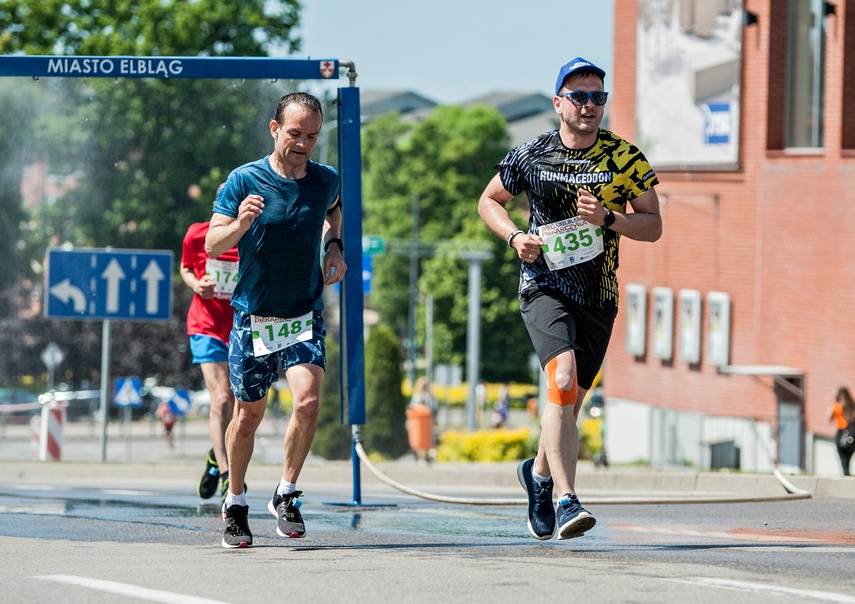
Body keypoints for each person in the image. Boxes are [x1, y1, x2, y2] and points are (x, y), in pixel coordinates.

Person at [478, 57, 662, 540]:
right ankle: (566, 500)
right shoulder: (530, 154)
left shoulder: (625, 158)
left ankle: (538, 476)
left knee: (569, 405)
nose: (589, 106)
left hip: (598, 295)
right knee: (561, 380)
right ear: (558, 102)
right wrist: (516, 238)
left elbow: (653, 225)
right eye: (579, 96)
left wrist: (609, 219)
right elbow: (488, 200)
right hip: (544, 285)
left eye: (597, 97)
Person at [206, 91, 345, 549]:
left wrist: (334, 247)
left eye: (311, 135)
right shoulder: (243, 179)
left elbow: (332, 211)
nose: (303, 143)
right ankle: (236, 500)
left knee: (308, 402)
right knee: (248, 416)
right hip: (254, 316)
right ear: (274, 129)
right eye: (294, 133)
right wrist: (240, 225)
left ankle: (286, 493)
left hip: (303, 311)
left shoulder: (325, 180)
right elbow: (211, 243)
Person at [180, 185, 240, 503]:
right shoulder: (196, 234)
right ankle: (229, 477)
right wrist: (196, 284)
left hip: (242, 328)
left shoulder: (252, 237)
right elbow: (186, 268)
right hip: (205, 326)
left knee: (240, 407)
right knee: (221, 398)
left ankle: (216, 457)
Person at [407, 376, 437, 464]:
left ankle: (424, 457)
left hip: (423, 421)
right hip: (421, 421)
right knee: (422, 439)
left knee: (424, 438)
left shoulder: (427, 396)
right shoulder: (419, 396)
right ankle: (423, 457)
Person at [830, 386, 855, 475]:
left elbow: (830, 418)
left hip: (842, 434)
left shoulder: (837, 406)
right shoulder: (852, 406)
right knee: (848, 458)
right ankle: (847, 473)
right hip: (852, 435)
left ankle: (846, 473)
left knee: (843, 458)